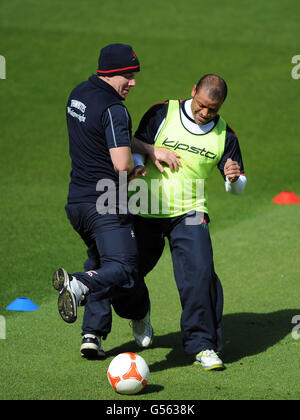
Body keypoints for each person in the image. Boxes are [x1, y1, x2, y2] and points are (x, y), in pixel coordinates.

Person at [130, 74, 247, 370]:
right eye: (202, 105)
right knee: (125, 274)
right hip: (146, 206)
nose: (205, 113)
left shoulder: (225, 134)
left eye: (213, 109)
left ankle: (203, 345)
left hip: (190, 211)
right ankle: (136, 312)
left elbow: (237, 184)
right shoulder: (161, 112)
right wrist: (140, 166)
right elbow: (136, 143)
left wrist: (234, 179)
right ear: (193, 91)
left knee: (200, 274)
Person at [52, 43, 155, 358]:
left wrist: (149, 149)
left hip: (77, 204)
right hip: (107, 203)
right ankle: (79, 285)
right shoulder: (115, 108)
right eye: (129, 75)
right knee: (123, 268)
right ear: (111, 73)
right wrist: (136, 173)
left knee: (100, 263)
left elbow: (102, 135)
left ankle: (92, 333)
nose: (133, 82)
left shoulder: (78, 94)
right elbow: (121, 164)